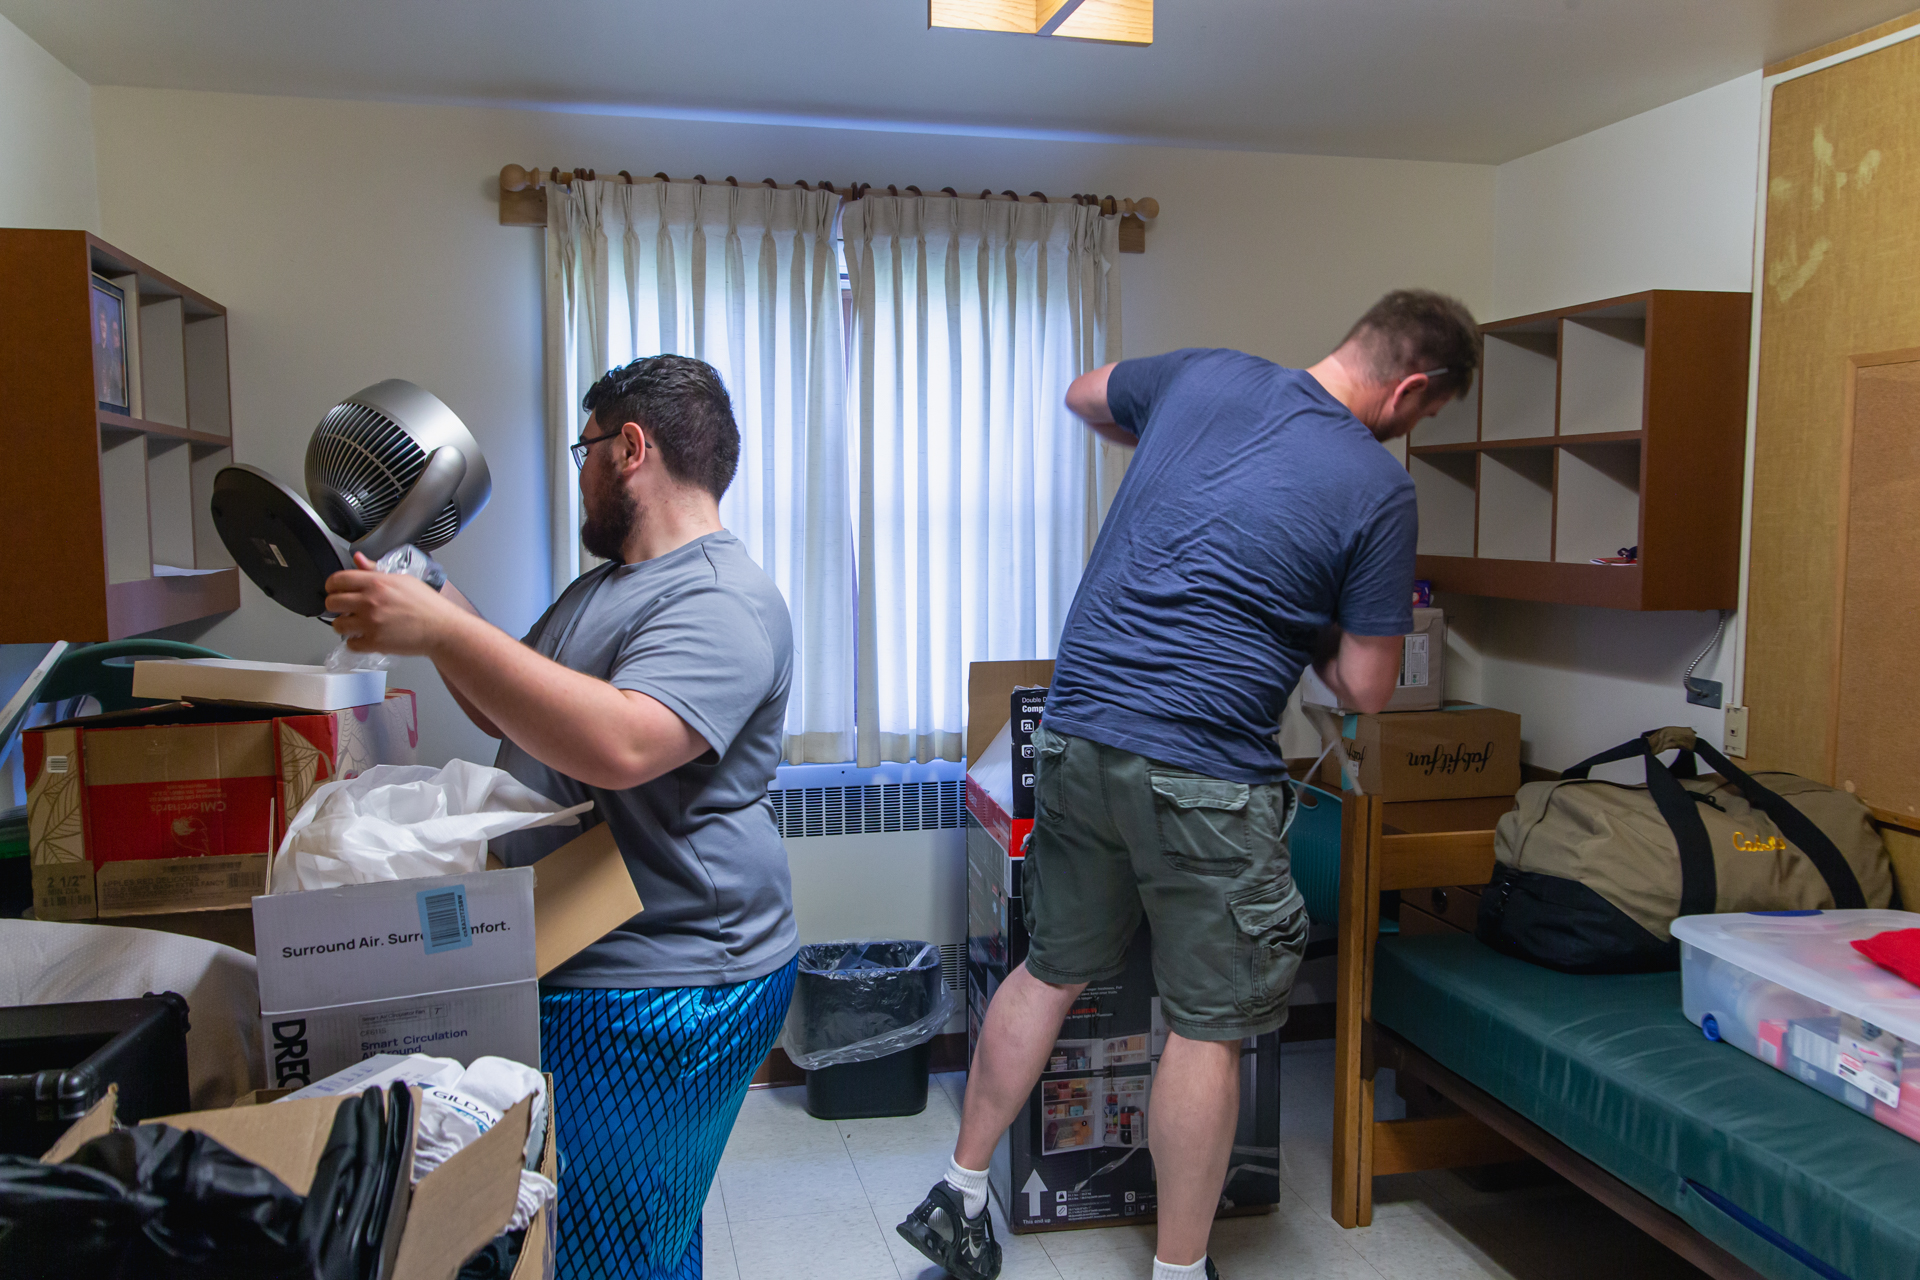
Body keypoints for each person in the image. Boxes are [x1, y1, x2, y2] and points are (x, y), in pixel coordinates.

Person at [896, 291, 1481, 1280]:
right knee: (1206, 1030)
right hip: (1206, 770)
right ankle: (1177, 1271)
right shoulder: (1378, 488)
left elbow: (1086, 392)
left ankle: (957, 1192)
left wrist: (1165, 430)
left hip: (1077, 733)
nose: (1413, 429)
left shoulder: (1208, 373)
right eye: (1425, 414)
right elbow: (1372, 688)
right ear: (1413, 386)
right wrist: (1324, 641)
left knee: (1049, 967)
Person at [323, 354, 799, 1280]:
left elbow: (622, 744)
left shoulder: (722, 600)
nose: (578, 473)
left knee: (602, 1244)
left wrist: (442, 630)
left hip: (674, 978)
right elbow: (515, 707)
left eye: (585, 449)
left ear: (631, 447)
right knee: (622, 1226)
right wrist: (434, 598)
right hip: (601, 951)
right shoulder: (612, 586)